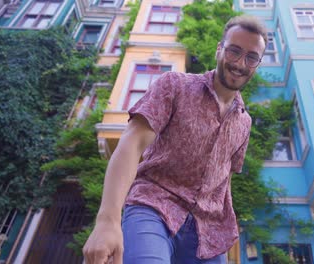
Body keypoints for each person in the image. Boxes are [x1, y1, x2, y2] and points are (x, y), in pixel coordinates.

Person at [83, 14, 267, 264]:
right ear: (219, 50)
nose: (240, 63)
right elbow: (133, 142)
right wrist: (107, 221)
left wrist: (225, 230)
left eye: (251, 57)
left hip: (207, 234)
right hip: (154, 208)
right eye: (234, 51)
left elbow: (224, 179)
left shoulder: (245, 123)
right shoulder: (175, 85)